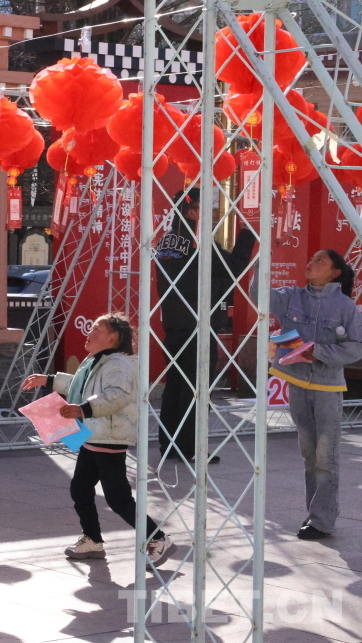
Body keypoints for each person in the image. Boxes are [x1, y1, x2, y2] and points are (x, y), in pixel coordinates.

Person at [22, 314, 176, 566]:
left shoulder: (118, 364)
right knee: (80, 488)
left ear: (114, 337)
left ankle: (157, 538)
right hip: (95, 435)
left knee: (117, 498)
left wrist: (83, 409)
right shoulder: (99, 361)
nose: (89, 333)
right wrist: (49, 380)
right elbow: (81, 385)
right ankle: (92, 539)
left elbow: (117, 396)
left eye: (96, 329)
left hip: (109, 437)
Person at [252, 249, 362, 540]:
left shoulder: (345, 306)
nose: (311, 263)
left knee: (326, 457)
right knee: (309, 455)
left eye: (320, 260)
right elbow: (259, 295)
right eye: (312, 258)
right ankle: (315, 515)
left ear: (335, 273)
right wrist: (263, 257)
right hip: (297, 384)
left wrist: (319, 352)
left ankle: (322, 521)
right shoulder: (292, 296)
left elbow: (356, 346)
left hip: (328, 389)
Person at [155, 187, 256, 464]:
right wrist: (248, 234)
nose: (209, 216)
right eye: (205, 211)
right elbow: (233, 267)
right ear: (192, 211)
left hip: (174, 325)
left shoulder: (166, 240)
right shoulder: (197, 242)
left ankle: (170, 445)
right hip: (198, 325)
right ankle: (191, 448)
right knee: (196, 390)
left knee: (176, 386)